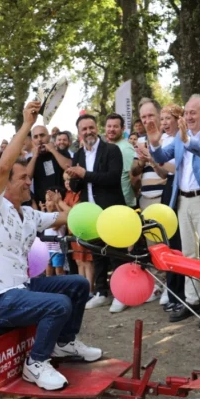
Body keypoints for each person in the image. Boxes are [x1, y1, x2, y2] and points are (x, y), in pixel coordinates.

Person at [0, 100, 102, 392]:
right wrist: (27, 124)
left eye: (28, 178)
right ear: (3, 183)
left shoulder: (29, 214)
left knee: (78, 284)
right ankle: (35, 363)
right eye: (22, 178)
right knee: (59, 305)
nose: (27, 182)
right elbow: (5, 164)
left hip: (21, 289)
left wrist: (65, 206)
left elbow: (68, 217)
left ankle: (64, 344)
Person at [146, 95, 200, 323]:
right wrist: (154, 142)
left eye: (194, 112)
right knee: (189, 255)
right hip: (182, 200)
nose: (188, 116)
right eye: (187, 112)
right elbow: (163, 156)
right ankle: (192, 301)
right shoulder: (183, 136)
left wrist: (186, 140)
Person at [67, 114, 126, 311]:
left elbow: (112, 178)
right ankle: (101, 292)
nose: (88, 132)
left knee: (117, 253)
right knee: (98, 255)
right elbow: (76, 187)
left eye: (91, 127)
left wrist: (85, 174)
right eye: (84, 129)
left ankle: (121, 293)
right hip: (90, 213)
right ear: (79, 133)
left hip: (112, 210)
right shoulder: (78, 155)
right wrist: (73, 176)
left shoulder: (111, 149)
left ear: (96, 127)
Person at [138, 99, 184, 311]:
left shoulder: (183, 138)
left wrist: (153, 157)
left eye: (166, 118)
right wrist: (146, 158)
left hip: (178, 193)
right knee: (169, 244)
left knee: (184, 246)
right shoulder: (158, 139)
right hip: (168, 195)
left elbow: (170, 169)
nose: (162, 122)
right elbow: (164, 170)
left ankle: (187, 294)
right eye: (143, 117)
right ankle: (173, 291)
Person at [27, 124, 71, 206]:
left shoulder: (60, 152)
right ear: (33, 141)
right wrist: (35, 156)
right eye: (36, 137)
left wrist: (52, 150)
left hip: (63, 202)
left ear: (49, 137)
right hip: (43, 205)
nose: (39, 139)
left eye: (42, 135)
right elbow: (27, 178)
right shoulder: (31, 160)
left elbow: (69, 167)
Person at [104, 113, 138, 208]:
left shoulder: (126, 148)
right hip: (109, 202)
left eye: (115, 126)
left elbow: (134, 178)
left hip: (125, 204)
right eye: (109, 126)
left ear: (122, 129)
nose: (111, 129)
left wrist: (132, 196)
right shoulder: (105, 148)